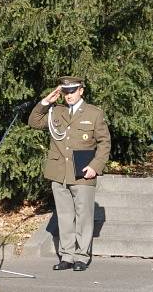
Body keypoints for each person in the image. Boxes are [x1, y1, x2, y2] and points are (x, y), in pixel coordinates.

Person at [28, 76, 111, 271]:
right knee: (64, 215)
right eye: (65, 92)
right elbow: (33, 122)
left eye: (72, 91)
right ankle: (67, 256)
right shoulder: (56, 111)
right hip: (60, 172)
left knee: (83, 216)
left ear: (81, 90)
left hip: (83, 172)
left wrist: (95, 166)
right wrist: (46, 101)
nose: (68, 96)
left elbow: (104, 143)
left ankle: (81, 256)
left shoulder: (94, 113)